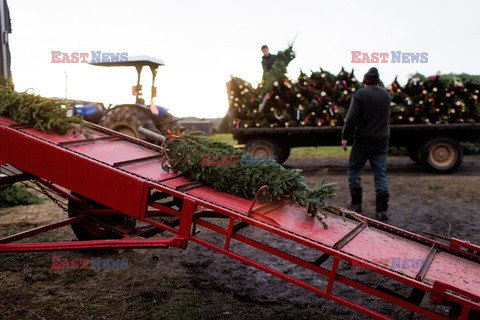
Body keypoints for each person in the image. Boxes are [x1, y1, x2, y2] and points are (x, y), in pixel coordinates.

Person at [341, 67, 391, 221]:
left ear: (365, 81)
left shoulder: (360, 94)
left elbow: (351, 119)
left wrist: (345, 137)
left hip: (363, 139)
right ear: (378, 81)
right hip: (382, 139)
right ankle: (381, 210)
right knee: (380, 173)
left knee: (354, 169)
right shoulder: (386, 95)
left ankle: (356, 204)